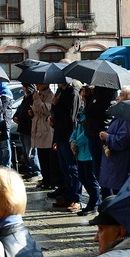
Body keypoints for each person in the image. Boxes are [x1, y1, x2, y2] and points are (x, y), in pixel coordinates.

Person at [99, 86, 130, 197]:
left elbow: (124, 140)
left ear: (129, 98)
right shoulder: (122, 115)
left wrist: (107, 137)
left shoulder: (128, 117)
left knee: (120, 196)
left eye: (121, 95)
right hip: (116, 164)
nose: (118, 98)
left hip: (122, 165)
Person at [50, 80, 82, 212]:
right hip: (60, 134)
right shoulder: (61, 92)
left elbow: (71, 116)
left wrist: (58, 105)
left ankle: (76, 198)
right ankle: (68, 195)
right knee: (64, 168)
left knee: (72, 168)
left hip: (68, 135)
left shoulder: (72, 92)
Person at [70, 102, 100, 216]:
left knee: (91, 179)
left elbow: (87, 133)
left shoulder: (90, 115)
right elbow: (76, 129)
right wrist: (72, 140)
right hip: (81, 153)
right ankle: (94, 202)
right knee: (83, 177)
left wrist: (76, 143)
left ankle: (94, 204)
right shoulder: (82, 114)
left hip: (88, 153)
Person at [13, 83, 41, 179]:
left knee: (31, 152)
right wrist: (15, 117)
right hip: (22, 128)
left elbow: (32, 113)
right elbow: (19, 110)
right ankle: (30, 169)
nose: (23, 89)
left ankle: (36, 171)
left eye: (24, 87)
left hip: (29, 129)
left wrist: (29, 115)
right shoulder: (25, 98)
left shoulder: (33, 98)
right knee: (25, 152)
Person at [30, 83, 54, 189]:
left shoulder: (50, 95)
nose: (37, 85)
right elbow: (36, 110)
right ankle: (45, 179)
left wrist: (38, 100)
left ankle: (49, 181)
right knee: (41, 156)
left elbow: (47, 110)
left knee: (47, 157)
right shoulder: (37, 94)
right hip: (37, 128)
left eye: (39, 83)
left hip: (46, 130)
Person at [0, 81, 14, 168]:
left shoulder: (5, 93)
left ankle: (6, 165)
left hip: (4, 123)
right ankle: (2, 164)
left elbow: (2, 109)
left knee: (4, 146)